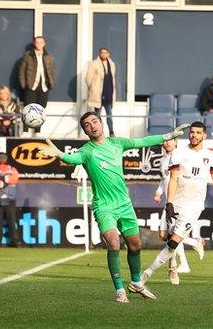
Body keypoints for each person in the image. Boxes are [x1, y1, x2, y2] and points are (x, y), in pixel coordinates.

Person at [39, 111, 189, 303]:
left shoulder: (117, 143)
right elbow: (72, 159)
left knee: (136, 245)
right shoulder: (87, 151)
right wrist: (59, 154)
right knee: (113, 242)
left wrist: (169, 136)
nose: (92, 126)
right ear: (85, 131)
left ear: (101, 124)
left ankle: (136, 283)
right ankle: (119, 290)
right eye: (87, 124)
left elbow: (143, 141)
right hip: (104, 206)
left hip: (124, 205)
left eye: (94, 121)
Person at [141, 121, 213, 284]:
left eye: (198, 133)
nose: (194, 135)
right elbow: (172, 179)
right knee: (164, 237)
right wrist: (169, 203)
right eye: (192, 132)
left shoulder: (210, 156)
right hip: (175, 202)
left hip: (193, 207)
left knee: (174, 241)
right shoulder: (178, 153)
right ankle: (173, 262)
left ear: (204, 135)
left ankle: (146, 274)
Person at [154, 138, 205, 284]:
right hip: (169, 202)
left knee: (173, 237)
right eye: (166, 141)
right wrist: (158, 192)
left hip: (181, 203)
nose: (168, 143)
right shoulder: (162, 161)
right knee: (163, 235)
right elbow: (163, 180)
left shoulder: (183, 156)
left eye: (172, 141)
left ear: (176, 143)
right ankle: (195, 243)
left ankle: (174, 268)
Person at [18, 36, 56, 134]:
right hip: (31, 86)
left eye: (41, 42)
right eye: (37, 42)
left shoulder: (49, 57)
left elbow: (52, 71)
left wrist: (51, 84)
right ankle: (25, 131)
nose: (39, 44)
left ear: (44, 44)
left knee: (41, 109)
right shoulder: (28, 55)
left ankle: (37, 131)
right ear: (34, 44)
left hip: (43, 87)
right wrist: (23, 85)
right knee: (28, 108)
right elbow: (22, 70)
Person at [86, 47, 117, 136]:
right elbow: (88, 78)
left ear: (108, 54)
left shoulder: (112, 64)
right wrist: (93, 89)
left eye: (106, 53)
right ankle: (97, 133)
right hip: (98, 95)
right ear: (99, 54)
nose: (104, 54)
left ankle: (111, 132)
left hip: (108, 94)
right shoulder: (94, 64)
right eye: (102, 53)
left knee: (109, 116)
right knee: (97, 117)